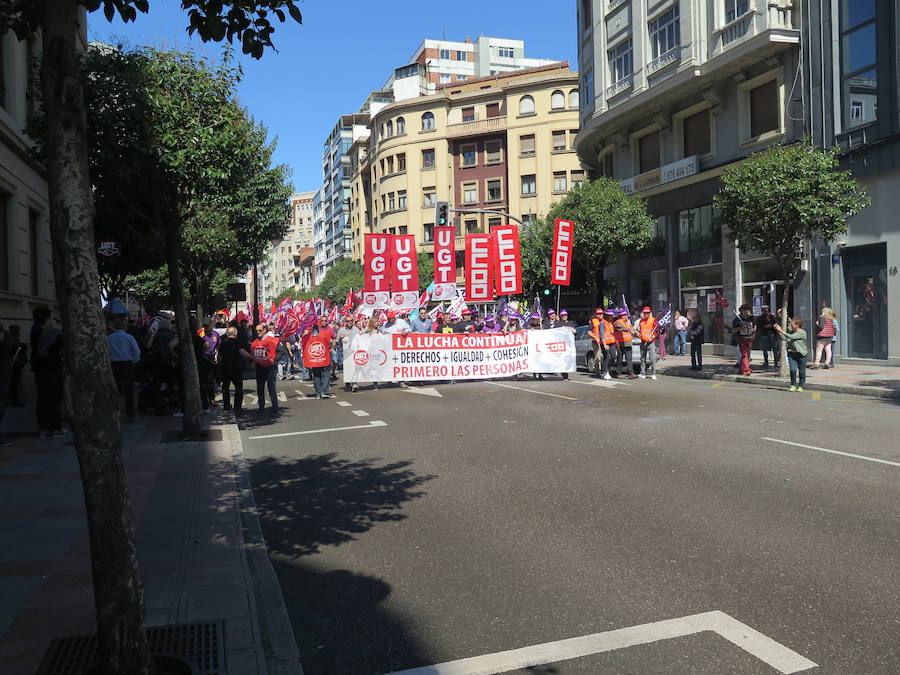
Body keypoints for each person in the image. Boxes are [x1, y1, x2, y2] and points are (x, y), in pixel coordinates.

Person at [30, 308, 65, 438]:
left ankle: (44, 428)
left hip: (40, 370)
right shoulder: (51, 332)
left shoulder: (35, 330)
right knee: (54, 399)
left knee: (43, 400)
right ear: (46, 319)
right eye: (49, 317)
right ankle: (55, 427)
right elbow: (61, 345)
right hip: (52, 369)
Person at [106, 316, 141, 419]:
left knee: (116, 388)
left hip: (114, 365)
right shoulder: (129, 337)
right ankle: (130, 413)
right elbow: (136, 351)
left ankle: (115, 410)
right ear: (125, 327)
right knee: (129, 390)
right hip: (127, 364)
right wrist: (134, 361)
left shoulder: (108, 338)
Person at [241, 324, 279, 410]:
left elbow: (281, 352)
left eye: (260, 330)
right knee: (260, 388)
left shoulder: (273, 341)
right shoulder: (254, 343)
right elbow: (252, 357)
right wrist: (246, 356)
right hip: (259, 368)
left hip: (270, 368)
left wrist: (275, 360)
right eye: (256, 331)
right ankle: (261, 406)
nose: (258, 332)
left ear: (265, 330)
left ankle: (275, 406)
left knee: (271, 387)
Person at [302, 318, 335, 398]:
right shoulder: (325, 334)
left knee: (317, 375)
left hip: (314, 360)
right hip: (324, 358)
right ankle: (324, 391)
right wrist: (331, 347)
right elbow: (329, 344)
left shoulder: (307, 337)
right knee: (326, 374)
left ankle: (318, 392)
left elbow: (304, 347)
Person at [775, 318, 809, 392]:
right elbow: (785, 338)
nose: (791, 325)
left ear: (797, 325)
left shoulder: (802, 332)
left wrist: (782, 331)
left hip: (801, 354)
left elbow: (792, 337)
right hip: (792, 354)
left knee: (802, 371)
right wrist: (779, 331)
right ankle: (793, 385)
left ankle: (801, 386)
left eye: (792, 324)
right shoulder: (791, 332)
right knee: (793, 370)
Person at [218, 327, 244, 413]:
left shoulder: (223, 343)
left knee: (225, 387)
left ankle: (226, 405)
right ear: (235, 334)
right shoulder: (238, 342)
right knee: (238, 387)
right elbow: (242, 352)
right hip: (235, 367)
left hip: (225, 367)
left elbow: (219, 356)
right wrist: (252, 358)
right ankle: (237, 406)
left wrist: (220, 364)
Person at [731, 305, 756, 376]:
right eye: (744, 309)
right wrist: (740, 327)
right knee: (744, 354)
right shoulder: (737, 320)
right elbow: (733, 330)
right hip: (741, 338)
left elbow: (755, 326)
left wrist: (754, 334)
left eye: (747, 309)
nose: (746, 311)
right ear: (741, 311)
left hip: (749, 338)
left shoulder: (751, 318)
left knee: (747, 355)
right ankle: (746, 370)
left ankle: (741, 368)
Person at [7, 325, 27, 406]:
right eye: (18, 330)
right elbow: (15, 349)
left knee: (15, 383)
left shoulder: (13, 338)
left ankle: (15, 399)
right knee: (14, 383)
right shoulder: (12, 339)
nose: (19, 331)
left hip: (16, 364)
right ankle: (15, 400)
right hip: (15, 364)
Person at [613, 308, 636, 379]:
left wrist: (636, 332)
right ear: (621, 316)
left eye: (626, 315)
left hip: (628, 343)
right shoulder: (617, 322)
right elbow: (621, 328)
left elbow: (632, 329)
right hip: (620, 344)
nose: (626, 316)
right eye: (624, 315)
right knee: (619, 359)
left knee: (629, 359)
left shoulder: (628, 322)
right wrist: (629, 330)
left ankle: (631, 373)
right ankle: (618, 373)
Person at [637, 306, 658, 380]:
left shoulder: (653, 320)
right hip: (643, 342)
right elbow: (640, 330)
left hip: (651, 343)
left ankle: (654, 373)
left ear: (650, 313)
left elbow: (656, 331)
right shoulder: (641, 321)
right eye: (644, 313)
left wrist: (653, 337)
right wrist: (638, 333)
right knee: (642, 358)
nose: (645, 314)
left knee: (652, 358)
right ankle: (642, 373)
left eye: (647, 313)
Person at [600, 308, 617, 379]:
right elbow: (602, 334)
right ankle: (605, 372)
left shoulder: (610, 323)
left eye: (612, 316)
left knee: (613, 356)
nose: (611, 317)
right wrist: (604, 344)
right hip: (605, 343)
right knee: (606, 357)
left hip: (612, 342)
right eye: (610, 316)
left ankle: (607, 368)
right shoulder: (602, 323)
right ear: (606, 316)